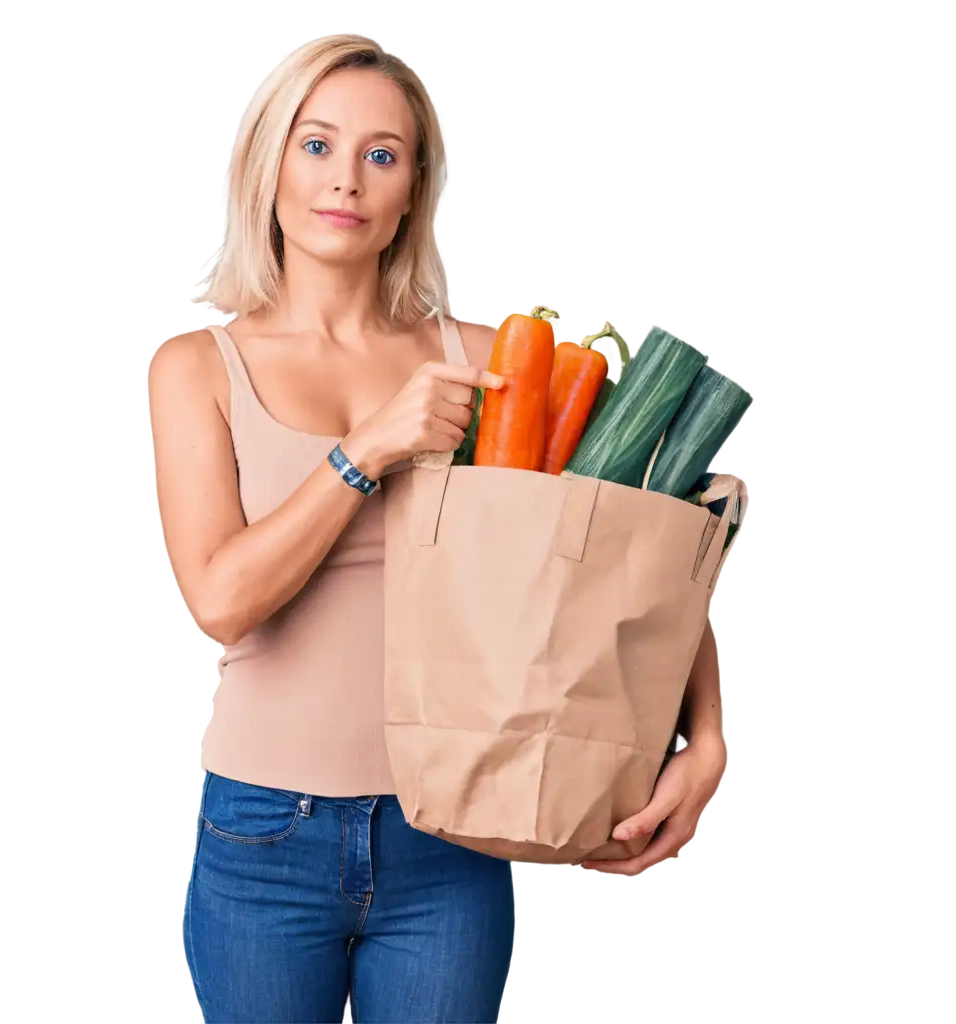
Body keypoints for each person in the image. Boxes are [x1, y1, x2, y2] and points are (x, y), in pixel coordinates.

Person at [146, 31, 726, 1024]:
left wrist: (705, 734)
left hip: (450, 831)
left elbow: (633, 542)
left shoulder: (489, 358)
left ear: (412, 188)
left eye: (383, 154)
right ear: (270, 164)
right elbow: (219, 598)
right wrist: (364, 451)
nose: (347, 179)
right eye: (317, 144)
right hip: (260, 839)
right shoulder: (197, 366)